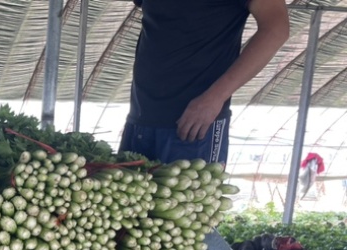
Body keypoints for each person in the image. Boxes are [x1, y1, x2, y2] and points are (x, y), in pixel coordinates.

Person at [119, 0, 289, 165]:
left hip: (193, 125)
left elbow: (276, 30)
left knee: (191, 194)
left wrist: (215, 97)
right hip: (140, 118)